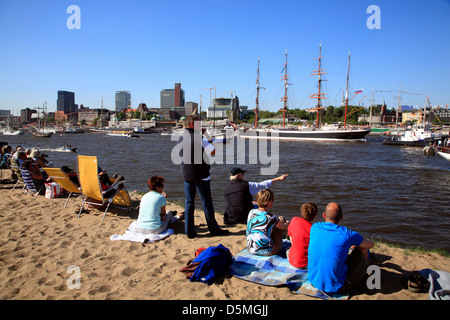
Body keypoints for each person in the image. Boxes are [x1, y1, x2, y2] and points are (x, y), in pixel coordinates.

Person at [178, 115, 229, 238]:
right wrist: (206, 135)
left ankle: (189, 232)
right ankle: (214, 229)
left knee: (189, 203)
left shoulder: (181, 137)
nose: (201, 126)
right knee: (206, 203)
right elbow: (212, 151)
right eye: (199, 124)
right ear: (192, 125)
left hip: (187, 174)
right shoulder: (199, 138)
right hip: (201, 175)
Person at [307, 202, 374, 294]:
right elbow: (370, 244)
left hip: (314, 281)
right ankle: (366, 268)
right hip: (338, 287)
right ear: (341, 217)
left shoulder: (314, 227)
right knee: (363, 249)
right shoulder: (347, 234)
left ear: (323, 215)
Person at [223, 167, 288, 225]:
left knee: (254, 203)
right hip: (245, 217)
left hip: (230, 218)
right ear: (238, 175)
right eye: (243, 174)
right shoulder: (247, 185)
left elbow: (237, 201)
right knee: (261, 205)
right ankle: (266, 219)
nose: (243, 175)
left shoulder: (226, 189)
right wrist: (279, 178)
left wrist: (249, 201)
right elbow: (263, 185)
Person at [246, 189, 288, 256]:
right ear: (267, 202)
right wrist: (289, 223)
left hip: (251, 248)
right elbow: (285, 228)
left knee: (272, 225)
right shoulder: (272, 218)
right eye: (272, 200)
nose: (273, 202)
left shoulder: (251, 212)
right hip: (268, 251)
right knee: (281, 221)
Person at [287, 202, 317, 268]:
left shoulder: (294, 220)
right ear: (314, 216)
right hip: (308, 264)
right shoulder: (314, 229)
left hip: (293, 261)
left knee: (287, 250)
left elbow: (290, 236)